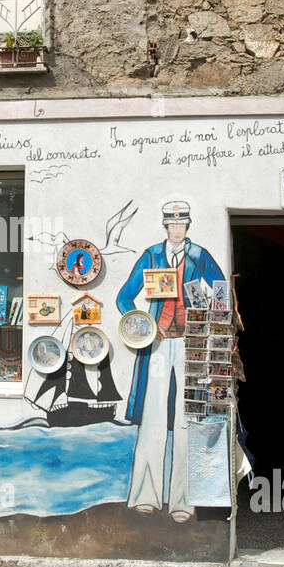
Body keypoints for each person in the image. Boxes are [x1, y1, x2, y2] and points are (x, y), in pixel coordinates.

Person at [115, 200, 225, 522]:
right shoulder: (151, 255)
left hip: (190, 344)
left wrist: (205, 318)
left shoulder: (199, 255)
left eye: (182, 224)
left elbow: (221, 288)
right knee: (152, 418)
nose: (177, 229)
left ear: (188, 226)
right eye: (172, 224)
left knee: (186, 418)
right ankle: (144, 496)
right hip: (159, 346)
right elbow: (124, 297)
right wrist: (143, 326)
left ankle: (183, 502)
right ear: (166, 226)